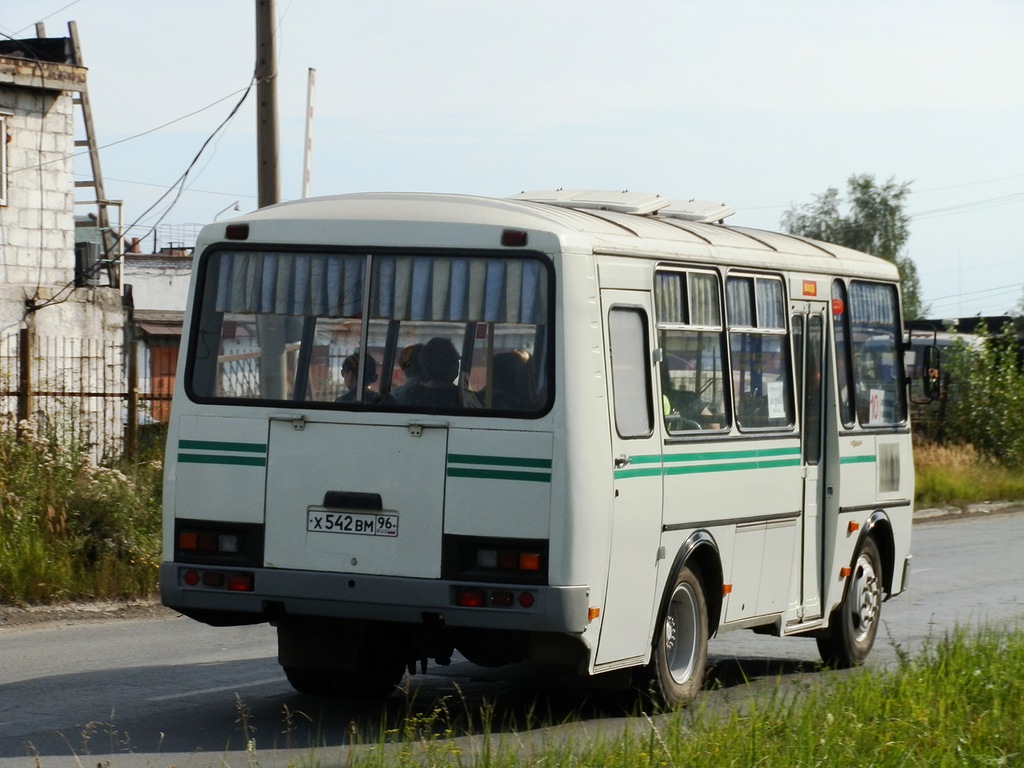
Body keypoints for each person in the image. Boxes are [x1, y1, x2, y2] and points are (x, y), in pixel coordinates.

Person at [397, 337, 461, 409]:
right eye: (457, 363)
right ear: (452, 367)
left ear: (423, 366)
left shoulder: (406, 396)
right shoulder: (462, 397)